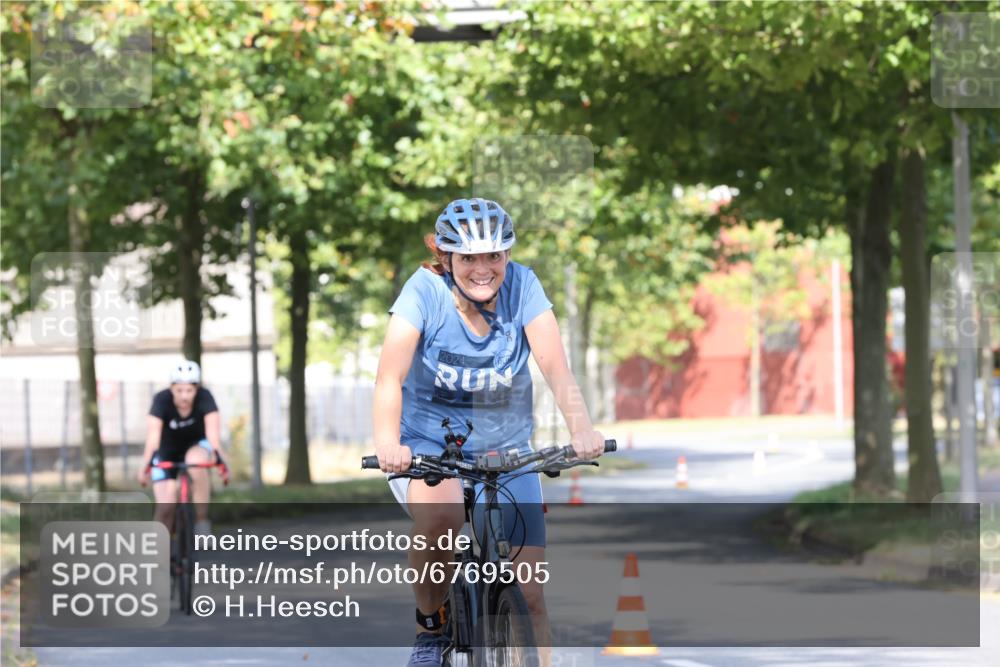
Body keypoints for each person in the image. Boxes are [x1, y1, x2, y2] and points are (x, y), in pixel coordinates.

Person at [372, 198, 606, 667]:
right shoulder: (423, 292)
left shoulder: (525, 286)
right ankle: (431, 628)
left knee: (530, 591)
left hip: (506, 445)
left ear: (507, 255)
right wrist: (387, 444)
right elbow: (389, 379)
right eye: (468, 258)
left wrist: (582, 429)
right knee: (440, 522)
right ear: (446, 257)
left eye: (494, 256)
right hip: (428, 446)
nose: (483, 268)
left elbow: (556, 369)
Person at [139, 359, 225, 536]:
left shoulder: (205, 398)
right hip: (166, 450)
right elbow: (153, 438)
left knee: (195, 461)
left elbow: (213, 437)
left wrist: (223, 464)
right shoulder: (161, 400)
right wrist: (145, 466)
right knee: (166, 506)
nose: (184, 396)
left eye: (189, 390)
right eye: (179, 390)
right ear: (171, 388)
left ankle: (202, 522)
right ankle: (157, 554)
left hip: (196, 445)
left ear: (197, 389)